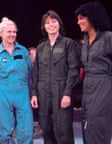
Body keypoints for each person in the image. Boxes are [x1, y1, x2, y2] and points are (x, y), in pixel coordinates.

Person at [31, 10, 80, 144]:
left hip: (61, 93)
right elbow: (36, 72)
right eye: (47, 23)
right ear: (44, 26)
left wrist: (67, 93)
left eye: (54, 21)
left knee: (63, 130)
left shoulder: (67, 44)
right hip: (43, 94)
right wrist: (34, 94)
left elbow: (73, 70)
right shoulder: (41, 48)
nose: (51, 25)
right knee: (46, 129)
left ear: (59, 24)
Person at [0, 17, 33, 144]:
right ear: (1, 33)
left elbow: (30, 70)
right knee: (5, 128)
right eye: (9, 32)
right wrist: (6, 85)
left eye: (14, 32)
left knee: (25, 127)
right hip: (4, 92)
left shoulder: (23, 51)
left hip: (22, 91)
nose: (12, 34)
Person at [75, 2, 112, 144]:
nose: (78, 22)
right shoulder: (84, 42)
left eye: (81, 18)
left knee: (99, 125)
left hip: (104, 87)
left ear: (92, 17)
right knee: (87, 124)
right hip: (88, 88)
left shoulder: (108, 38)